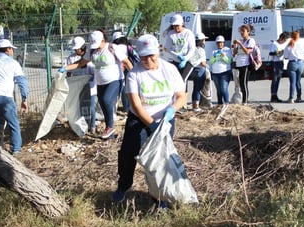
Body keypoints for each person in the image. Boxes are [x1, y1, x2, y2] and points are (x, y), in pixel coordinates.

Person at [113, 34, 187, 207]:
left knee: (160, 159)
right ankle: (124, 185)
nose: (148, 59)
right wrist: (151, 124)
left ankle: (160, 197)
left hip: (165, 121)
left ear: (158, 52)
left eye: (151, 55)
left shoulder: (169, 69)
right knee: (128, 154)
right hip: (139, 119)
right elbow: (136, 105)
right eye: (144, 56)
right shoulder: (134, 74)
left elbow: (182, 96)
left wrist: (172, 110)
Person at [60, 30, 133, 140]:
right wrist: (65, 68)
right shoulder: (92, 50)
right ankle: (110, 133)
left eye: (98, 44)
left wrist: (134, 77)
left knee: (106, 100)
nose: (96, 47)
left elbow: (127, 62)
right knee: (103, 105)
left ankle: (109, 127)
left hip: (114, 80)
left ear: (103, 40)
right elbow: (80, 63)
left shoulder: (112, 48)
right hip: (100, 83)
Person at [66, 36, 97, 134]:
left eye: (77, 49)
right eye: (75, 49)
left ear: (82, 47)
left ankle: (92, 126)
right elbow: (69, 73)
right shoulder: (71, 58)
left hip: (90, 87)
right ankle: (82, 127)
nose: (76, 51)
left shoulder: (91, 57)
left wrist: (89, 78)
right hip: (78, 88)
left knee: (91, 107)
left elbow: (95, 72)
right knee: (80, 108)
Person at [163, 14, 196, 82]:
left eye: (177, 25)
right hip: (176, 61)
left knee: (182, 80)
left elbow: (192, 48)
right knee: (175, 81)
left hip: (187, 61)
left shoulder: (188, 33)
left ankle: (183, 92)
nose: (176, 27)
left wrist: (185, 58)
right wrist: (176, 55)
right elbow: (167, 48)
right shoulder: (171, 34)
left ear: (182, 24)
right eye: (174, 26)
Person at [233, 24, 256, 104]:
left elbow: (247, 51)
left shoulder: (251, 41)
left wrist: (240, 43)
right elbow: (235, 52)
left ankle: (245, 101)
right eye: (241, 31)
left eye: (244, 31)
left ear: (248, 32)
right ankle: (243, 100)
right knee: (240, 83)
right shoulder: (242, 41)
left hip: (245, 64)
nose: (242, 33)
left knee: (244, 83)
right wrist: (235, 45)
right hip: (239, 64)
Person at [283, 31, 304, 103]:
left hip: (292, 63)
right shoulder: (302, 44)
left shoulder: (289, 45)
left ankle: (291, 98)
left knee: (292, 82)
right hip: (300, 63)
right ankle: (299, 97)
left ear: (291, 36)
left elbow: (285, 57)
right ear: (298, 37)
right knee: (298, 81)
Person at [188, 32, 209, 111]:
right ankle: (196, 106)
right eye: (204, 40)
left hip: (192, 69)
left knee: (195, 87)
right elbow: (203, 63)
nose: (204, 41)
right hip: (200, 70)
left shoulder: (192, 49)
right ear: (201, 41)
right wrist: (208, 66)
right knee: (198, 88)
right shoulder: (201, 50)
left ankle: (194, 105)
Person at [210, 35, 233, 106]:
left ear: (224, 43)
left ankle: (226, 103)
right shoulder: (214, 52)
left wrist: (224, 56)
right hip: (215, 73)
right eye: (218, 43)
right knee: (219, 90)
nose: (220, 44)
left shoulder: (227, 50)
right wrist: (215, 56)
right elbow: (211, 61)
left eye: (221, 42)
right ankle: (219, 104)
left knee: (223, 88)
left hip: (225, 72)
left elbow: (229, 61)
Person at [269, 31, 289, 102]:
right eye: (284, 40)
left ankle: (276, 95)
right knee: (275, 79)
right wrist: (278, 52)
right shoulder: (274, 44)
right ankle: (273, 95)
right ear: (281, 38)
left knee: (278, 79)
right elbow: (271, 53)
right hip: (275, 62)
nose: (284, 42)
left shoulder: (284, 44)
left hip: (281, 62)